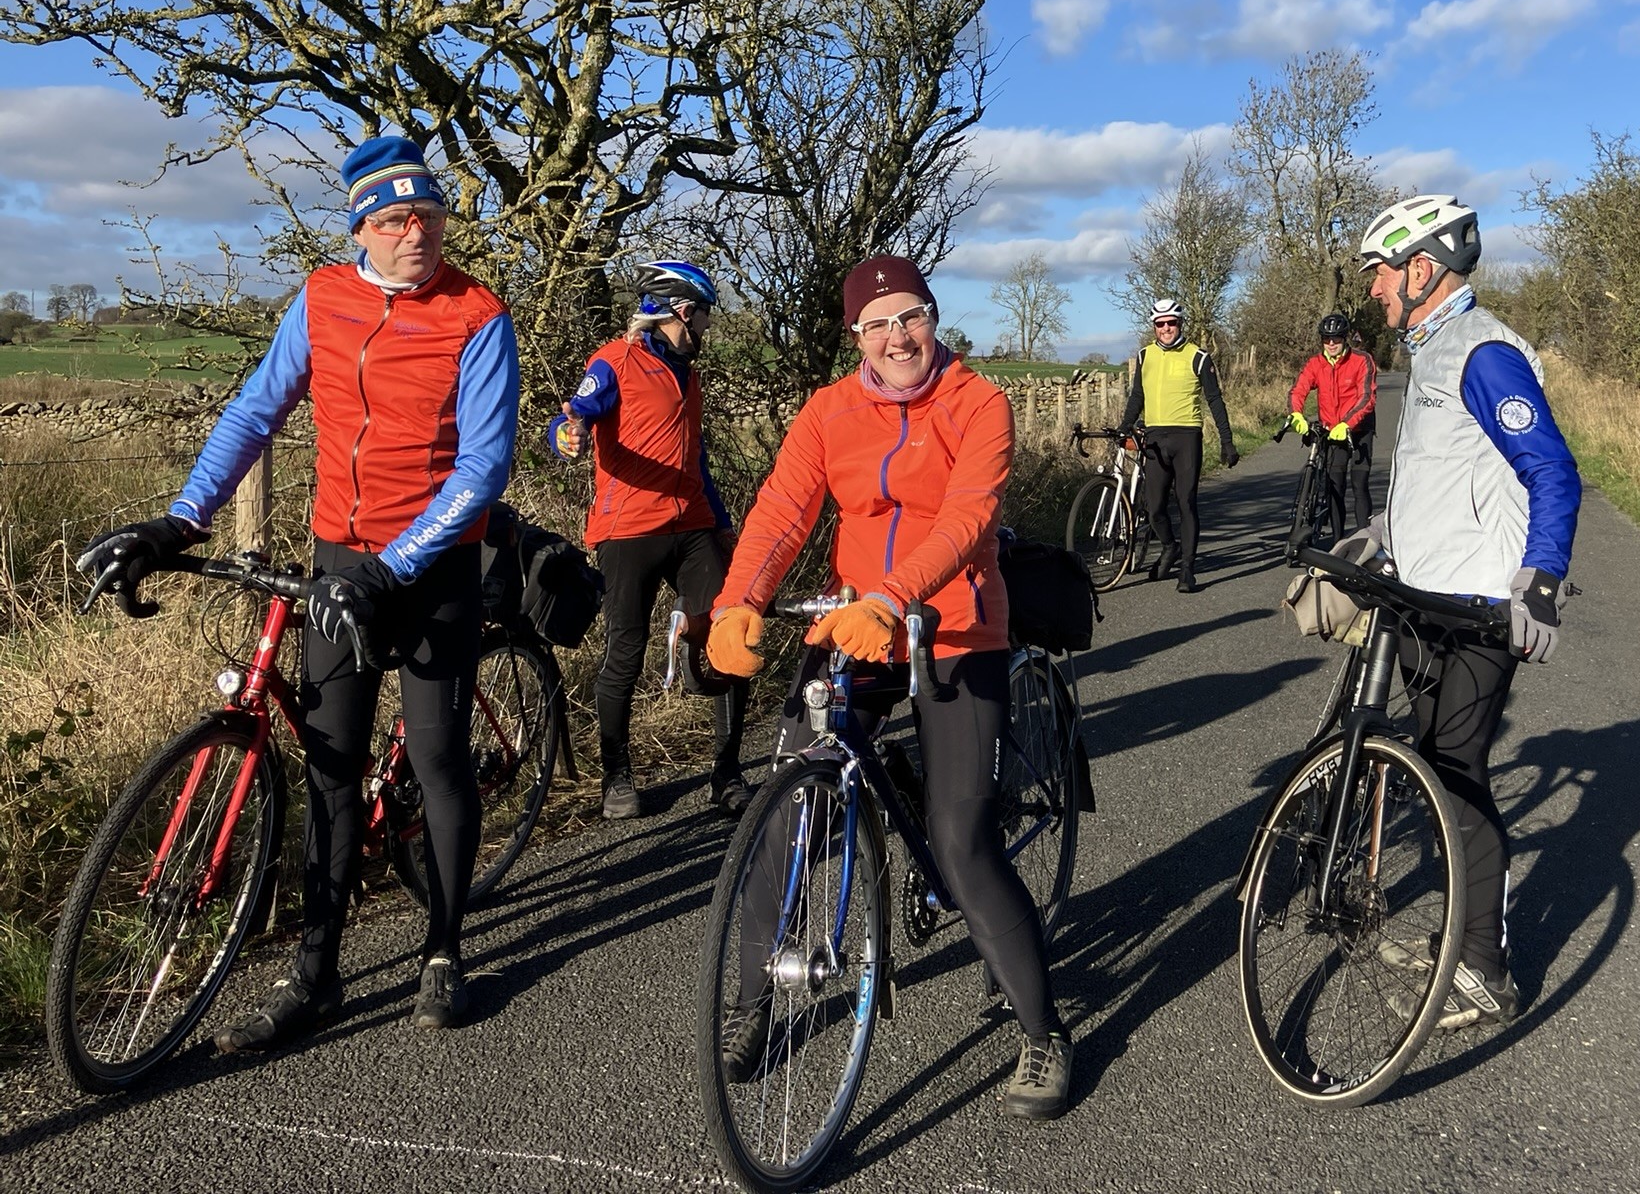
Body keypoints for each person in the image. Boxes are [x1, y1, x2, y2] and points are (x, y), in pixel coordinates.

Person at [77, 134, 520, 1048]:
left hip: (433, 564)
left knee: (438, 757)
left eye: (430, 216)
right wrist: (181, 520)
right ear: (360, 229)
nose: (417, 233)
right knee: (330, 765)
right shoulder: (321, 298)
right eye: (396, 220)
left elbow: (482, 467)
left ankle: (443, 951)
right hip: (338, 555)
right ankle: (314, 977)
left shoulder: (477, 314)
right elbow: (255, 411)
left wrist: (392, 567)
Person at [703, 254, 1074, 1121]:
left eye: (909, 317)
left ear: (933, 317)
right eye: (876, 325)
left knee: (962, 843)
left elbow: (968, 515)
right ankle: (751, 1004)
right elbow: (783, 509)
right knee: (785, 817)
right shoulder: (828, 410)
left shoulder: (977, 402)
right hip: (855, 620)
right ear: (855, 337)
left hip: (954, 625)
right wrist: (737, 601)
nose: (896, 337)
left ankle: (1044, 1032)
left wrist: (894, 595)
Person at [1356, 193, 1580, 1030]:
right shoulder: (1431, 350)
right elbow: (1446, 472)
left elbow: (1550, 470)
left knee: (1455, 774)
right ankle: (1460, 937)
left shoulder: (1483, 354)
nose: (1373, 289)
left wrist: (1542, 578)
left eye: (1380, 272)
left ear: (1421, 269)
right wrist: (1385, 531)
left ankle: (1484, 968)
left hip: (1480, 604)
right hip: (1426, 595)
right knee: (1434, 767)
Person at [549, 259, 750, 820]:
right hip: (629, 529)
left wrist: (722, 522)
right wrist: (566, 435)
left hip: (692, 525)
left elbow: (695, 458)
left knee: (731, 635)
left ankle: (727, 772)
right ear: (682, 312)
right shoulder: (615, 361)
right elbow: (576, 416)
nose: (706, 327)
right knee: (626, 652)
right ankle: (616, 778)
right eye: (704, 316)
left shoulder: (687, 374)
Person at [1119, 297, 1239, 594]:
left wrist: (1226, 440)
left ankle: (1187, 568)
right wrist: (1125, 425)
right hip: (1155, 436)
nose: (1166, 328)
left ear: (1180, 323)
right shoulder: (1145, 356)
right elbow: (1137, 396)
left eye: (1171, 323)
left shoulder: (1198, 356)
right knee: (1154, 507)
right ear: (1154, 326)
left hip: (1186, 436)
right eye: (1160, 324)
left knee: (1186, 502)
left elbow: (1214, 400)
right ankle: (1169, 547)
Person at [1287, 312, 1378, 537]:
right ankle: (1337, 541)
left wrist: (1347, 423)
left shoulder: (1361, 360)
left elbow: (1367, 397)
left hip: (1359, 430)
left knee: (1359, 484)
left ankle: (1364, 538)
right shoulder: (1316, 364)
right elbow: (1298, 390)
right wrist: (1296, 414)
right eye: (1326, 339)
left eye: (1336, 338)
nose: (1331, 343)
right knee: (1335, 488)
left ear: (1344, 338)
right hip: (1331, 431)